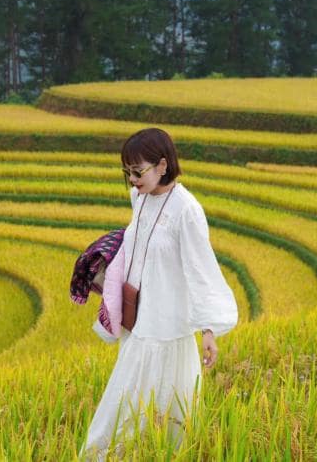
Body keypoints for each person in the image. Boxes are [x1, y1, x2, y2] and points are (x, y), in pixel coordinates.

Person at [79, 128, 239, 460]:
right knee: (124, 402)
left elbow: (201, 269)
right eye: (127, 173)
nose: (132, 181)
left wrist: (210, 330)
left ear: (163, 165)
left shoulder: (186, 210)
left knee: (169, 411)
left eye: (138, 172)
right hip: (138, 321)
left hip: (168, 329)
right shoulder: (139, 198)